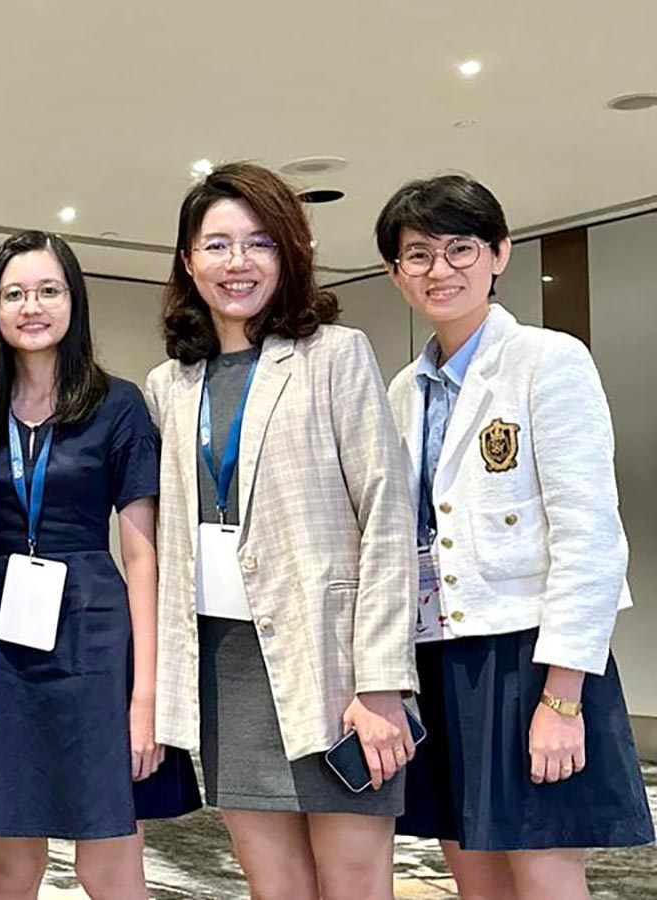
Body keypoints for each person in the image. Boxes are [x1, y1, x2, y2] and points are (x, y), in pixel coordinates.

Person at [144, 163, 419, 900]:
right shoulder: (169, 386)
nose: (238, 264)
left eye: (259, 243)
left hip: (332, 666)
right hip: (225, 664)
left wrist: (384, 683)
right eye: (218, 245)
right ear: (188, 260)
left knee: (355, 884)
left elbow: (388, 521)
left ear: (290, 253)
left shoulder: (336, 355)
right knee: (276, 886)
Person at [376, 175, 654, 899]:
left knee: (545, 876)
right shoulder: (404, 390)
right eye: (418, 255)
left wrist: (562, 699)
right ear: (394, 272)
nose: (441, 270)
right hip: (439, 656)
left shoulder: (547, 361)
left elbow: (590, 538)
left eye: (461, 248)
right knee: (473, 873)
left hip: (530, 659)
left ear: (499, 254)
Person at [0, 229, 203, 899]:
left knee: (108, 859)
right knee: (8, 860)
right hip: (1, 647)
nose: (31, 306)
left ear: (74, 301)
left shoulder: (117, 406)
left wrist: (146, 699)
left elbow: (143, 555)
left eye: (48, 290)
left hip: (95, 640)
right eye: (14, 294)